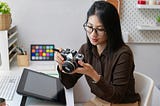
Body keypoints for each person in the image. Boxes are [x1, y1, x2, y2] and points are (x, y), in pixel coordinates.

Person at [54, 1, 140, 106]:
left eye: (100, 29)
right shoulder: (85, 49)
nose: (93, 34)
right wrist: (62, 66)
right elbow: (68, 84)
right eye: (89, 27)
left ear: (111, 30)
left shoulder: (123, 54)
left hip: (122, 103)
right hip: (99, 101)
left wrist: (93, 75)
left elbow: (117, 96)